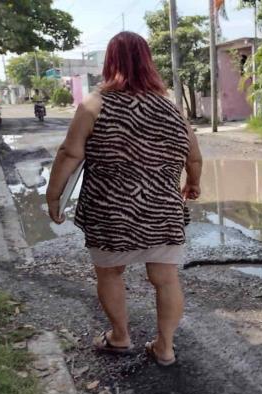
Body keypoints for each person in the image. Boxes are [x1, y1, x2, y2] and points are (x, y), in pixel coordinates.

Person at [46, 32, 203, 366]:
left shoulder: (94, 103)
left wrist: (53, 194)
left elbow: (70, 153)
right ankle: (165, 347)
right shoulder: (171, 107)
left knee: (110, 273)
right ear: (148, 62)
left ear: (110, 62)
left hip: (111, 210)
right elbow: (194, 156)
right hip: (163, 209)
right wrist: (193, 183)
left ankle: (119, 337)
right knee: (166, 279)